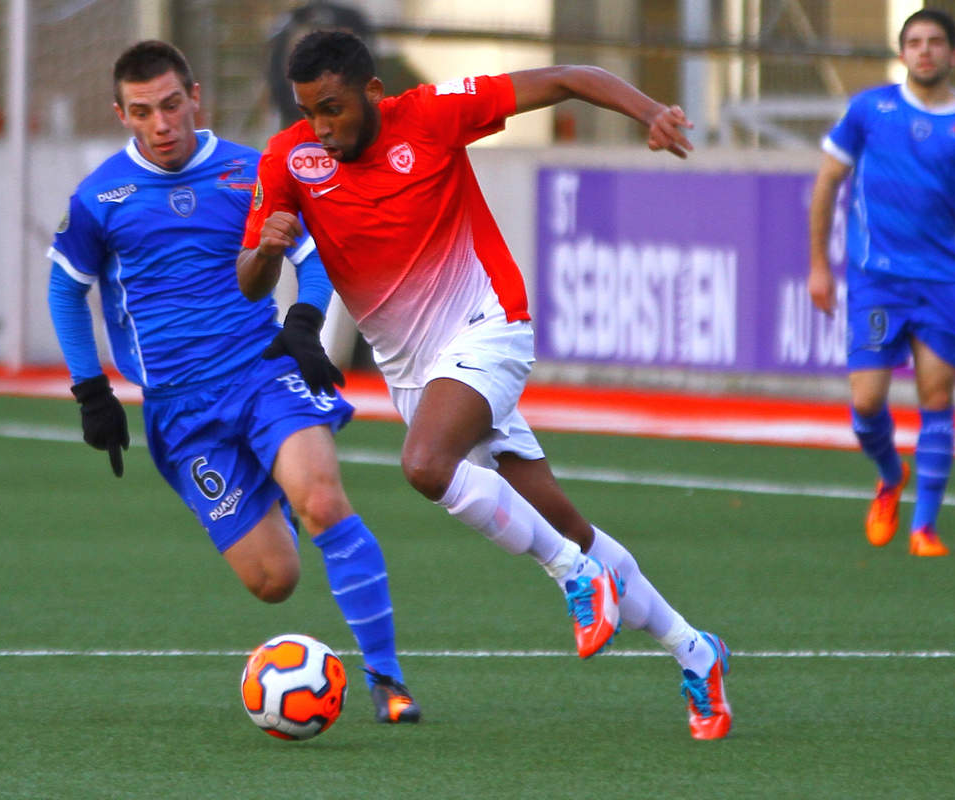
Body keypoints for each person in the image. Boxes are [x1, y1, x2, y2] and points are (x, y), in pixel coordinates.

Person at [239, 30, 731, 740]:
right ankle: (695, 648)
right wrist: (268, 248)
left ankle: (572, 576)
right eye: (310, 111)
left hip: (488, 323)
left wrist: (649, 109)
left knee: (425, 465)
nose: (322, 126)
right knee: (563, 519)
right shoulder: (290, 158)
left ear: (373, 93)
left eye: (335, 109)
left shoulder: (435, 114)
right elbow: (249, 278)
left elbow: (568, 74)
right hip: (417, 371)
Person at [45, 40, 419, 723]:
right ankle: (274, 489)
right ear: (121, 115)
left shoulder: (252, 172)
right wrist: (89, 391)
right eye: (142, 111)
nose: (161, 124)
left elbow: (314, 256)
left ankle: (388, 680)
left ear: (195, 98)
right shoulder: (101, 198)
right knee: (275, 581)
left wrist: (303, 324)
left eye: (170, 105)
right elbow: (67, 291)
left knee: (326, 502)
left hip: (261, 374)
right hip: (181, 413)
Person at [809, 9, 955, 557]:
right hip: (876, 280)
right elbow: (827, 183)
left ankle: (925, 526)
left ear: (954, 54)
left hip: (943, 283)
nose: (925, 51)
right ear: (902, 54)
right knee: (867, 401)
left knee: (937, 395)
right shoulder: (871, 110)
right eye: (914, 42)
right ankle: (890, 476)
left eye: (935, 42)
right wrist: (819, 264)